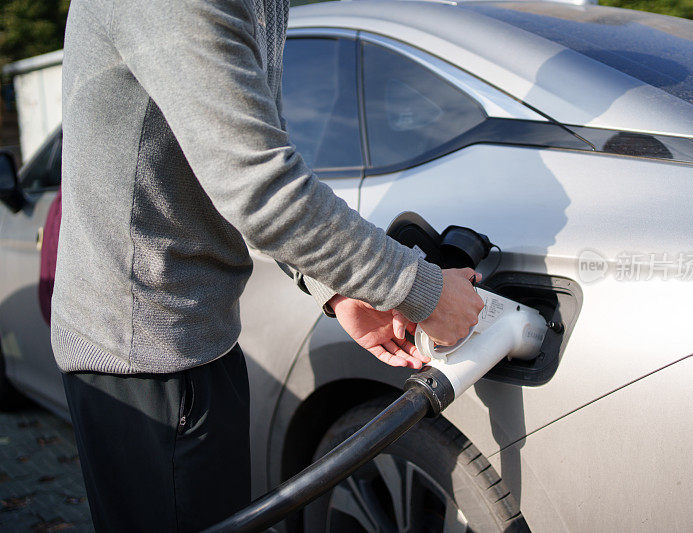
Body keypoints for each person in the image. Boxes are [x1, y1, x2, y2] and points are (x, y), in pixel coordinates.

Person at [52, 0, 485, 530]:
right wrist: (421, 289)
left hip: (192, 339)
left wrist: (340, 287)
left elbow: (244, 150)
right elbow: (256, 182)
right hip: (147, 351)